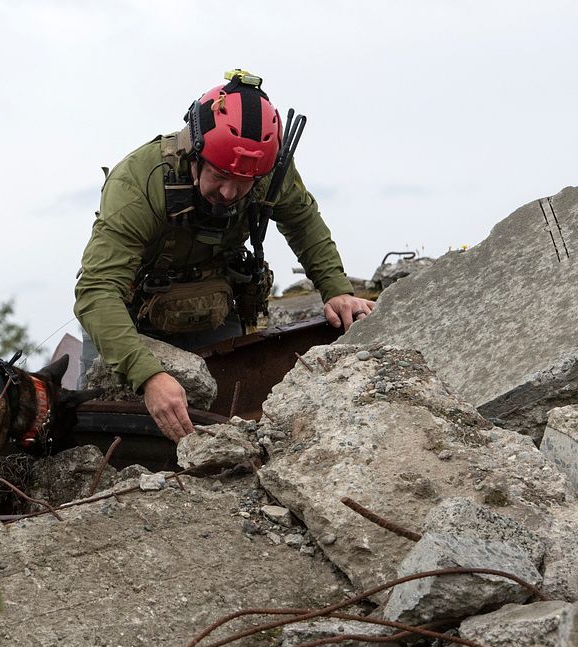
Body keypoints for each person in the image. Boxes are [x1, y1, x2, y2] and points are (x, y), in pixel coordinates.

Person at [74, 70, 374, 443]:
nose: (230, 192)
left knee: (225, 430)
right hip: (132, 321)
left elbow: (302, 220)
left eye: (243, 182)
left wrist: (335, 289)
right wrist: (148, 375)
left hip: (214, 310)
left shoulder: (267, 171)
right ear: (195, 153)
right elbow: (97, 291)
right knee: (107, 434)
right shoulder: (138, 183)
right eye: (219, 175)